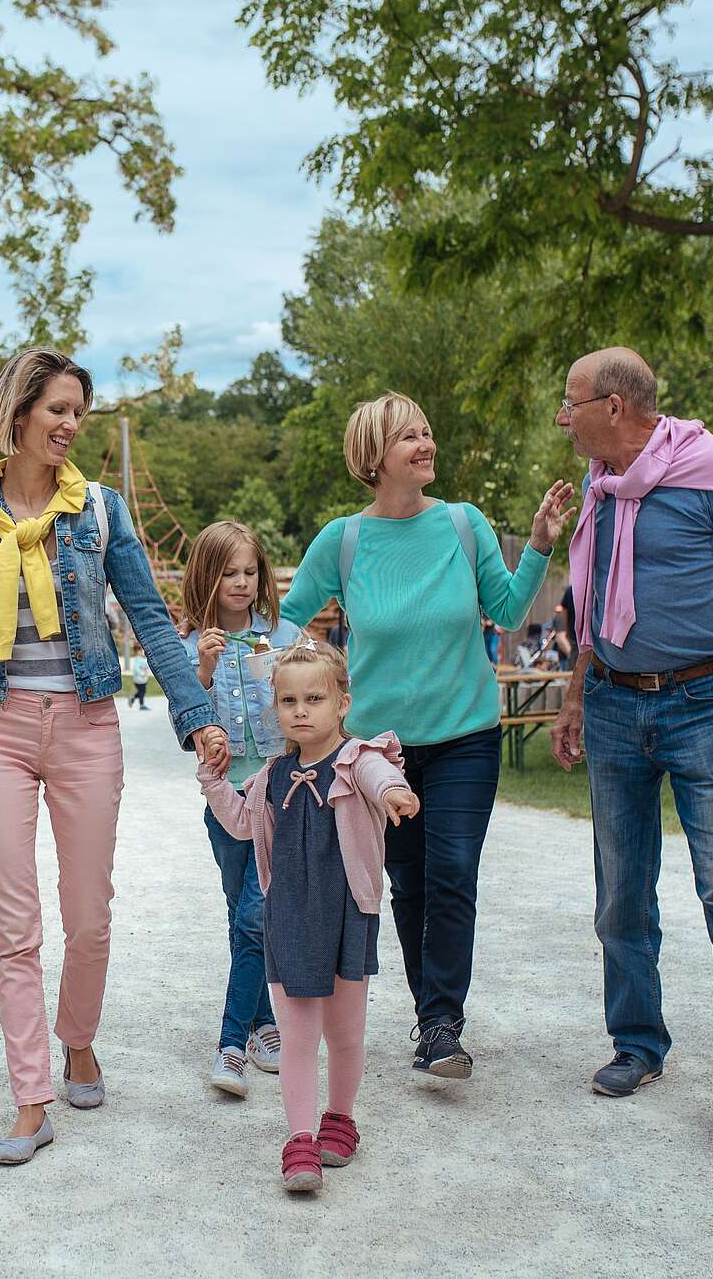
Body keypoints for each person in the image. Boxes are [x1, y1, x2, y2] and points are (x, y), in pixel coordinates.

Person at [0, 346, 226, 1165]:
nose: (71, 425)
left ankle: (78, 1037)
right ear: (17, 415)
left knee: (88, 916)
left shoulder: (102, 513)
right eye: (57, 409)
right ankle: (31, 1097)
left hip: (87, 725)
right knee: (16, 926)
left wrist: (196, 714)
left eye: (78, 412)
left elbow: (151, 617)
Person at [282, 392, 573, 1081]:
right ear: (373, 456)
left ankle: (443, 1021)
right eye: (408, 436)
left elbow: (505, 609)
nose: (425, 443)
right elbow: (286, 626)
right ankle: (432, 1021)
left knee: (451, 873)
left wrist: (537, 545)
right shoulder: (344, 541)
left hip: (466, 736)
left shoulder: (464, 525)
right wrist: (310, 692)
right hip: (380, 753)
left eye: (427, 431)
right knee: (407, 883)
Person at [548, 347, 713, 1135]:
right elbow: (596, 597)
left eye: (572, 402)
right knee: (620, 891)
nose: (564, 417)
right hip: (616, 703)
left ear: (614, 407)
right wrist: (576, 693)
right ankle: (636, 1043)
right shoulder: (604, 485)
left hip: (706, 701)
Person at [199, 641, 418, 1192]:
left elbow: (379, 778)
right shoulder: (272, 774)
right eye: (289, 700)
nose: (301, 710)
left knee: (345, 1032)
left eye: (315, 698)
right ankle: (299, 1140)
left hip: (348, 913)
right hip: (290, 916)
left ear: (342, 702)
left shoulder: (358, 758)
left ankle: (339, 1118)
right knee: (297, 1034)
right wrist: (213, 781)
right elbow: (242, 824)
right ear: (276, 707)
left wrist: (396, 793)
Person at [178, 520, 305, 1098]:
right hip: (226, 803)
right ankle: (260, 1023)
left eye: (250, 571)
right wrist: (201, 672)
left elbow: (314, 700)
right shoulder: (187, 647)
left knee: (257, 913)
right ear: (206, 575)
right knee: (242, 915)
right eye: (229, 572)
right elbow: (180, 727)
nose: (242, 581)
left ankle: (235, 1041)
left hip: (278, 796)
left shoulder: (282, 636)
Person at [128, 644, 151, 709]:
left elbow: (146, 665)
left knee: (142, 692)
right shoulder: (137, 659)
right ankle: (141, 705)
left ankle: (132, 698)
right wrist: (142, 673)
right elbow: (136, 668)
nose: (142, 652)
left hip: (143, 679)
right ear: (137, 651)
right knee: (142, 692)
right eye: (141, 651)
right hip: (139, 679)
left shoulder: (142, 658)